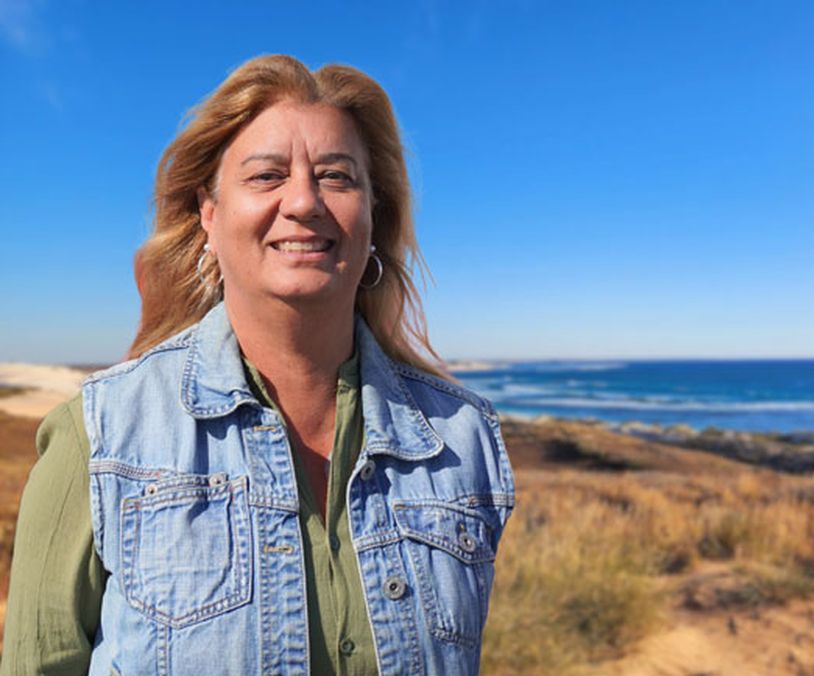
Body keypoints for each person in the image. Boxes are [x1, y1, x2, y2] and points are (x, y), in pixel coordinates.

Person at [1, 54, 515, 675]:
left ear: (373, 217)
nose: (303, 201)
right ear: (209, 216)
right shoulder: (101, 434)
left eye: (336, 176)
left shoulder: (464, 441)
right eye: (267, 176)